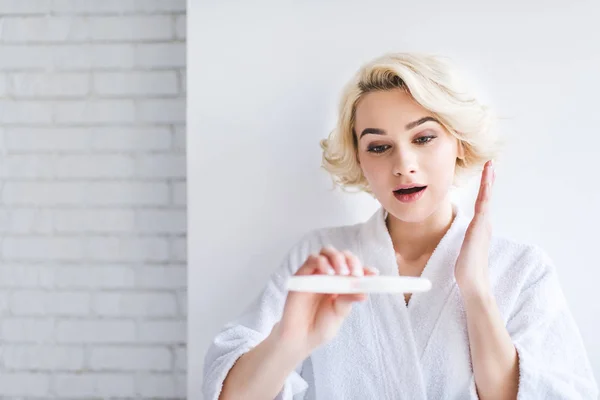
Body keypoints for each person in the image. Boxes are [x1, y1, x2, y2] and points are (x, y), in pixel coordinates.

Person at [202, 52, 598, 399]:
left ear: (458, 142)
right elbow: (230, 395)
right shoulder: (321, 262)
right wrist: (290, 342)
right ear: (359, 158)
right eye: (378, 146)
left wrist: (476, 289)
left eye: (423, 137)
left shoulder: (522, 268)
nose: (403, 164)